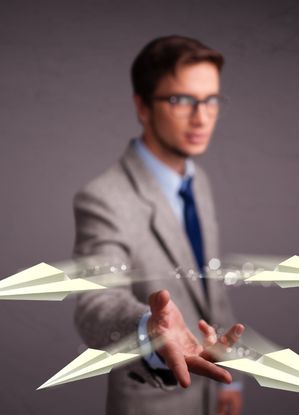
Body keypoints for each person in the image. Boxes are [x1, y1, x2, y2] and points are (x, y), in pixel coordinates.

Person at [73, 35, 244, 415]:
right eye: (181, 100)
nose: (201, 117)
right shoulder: (104, 196)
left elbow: (209, 291)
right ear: (143, 107)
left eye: (211, 100)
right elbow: (94, 302)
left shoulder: (198, 182)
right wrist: (147, 329)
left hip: (210, 396)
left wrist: (234, 376)